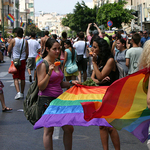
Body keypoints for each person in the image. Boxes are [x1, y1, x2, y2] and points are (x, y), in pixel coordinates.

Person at [36, 38, 79, 150]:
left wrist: (70, 82)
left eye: (59, 48)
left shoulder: (57, 62)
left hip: (59, 99)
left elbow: (59, 83)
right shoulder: (43, 64)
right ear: (47, 49)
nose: (57, 51)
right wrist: (49, 73)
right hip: (47, 100)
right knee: (49, 130)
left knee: (69, 128)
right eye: (54, 49)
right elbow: (41, 86)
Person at [90, 37, 120, 150]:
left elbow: (100, 75)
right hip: (100, 95)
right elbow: (93, 78)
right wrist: (99, 81)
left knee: (111, 126)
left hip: (110, 96)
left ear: (101, 48)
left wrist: (94, 63)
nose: (92, 48)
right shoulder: (99, 60)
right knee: (102, 126)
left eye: (95, 47)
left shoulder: (110, 60)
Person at [8, 27, 28, 100]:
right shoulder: (25, 41)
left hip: (15, 61)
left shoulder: (13, 40)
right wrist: (25, 59)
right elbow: (27, 52)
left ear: (16, 33)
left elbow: (9, 49)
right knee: (22, 77)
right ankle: (22, 92)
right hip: (22, 60)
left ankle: (18, 92)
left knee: (15, 77)